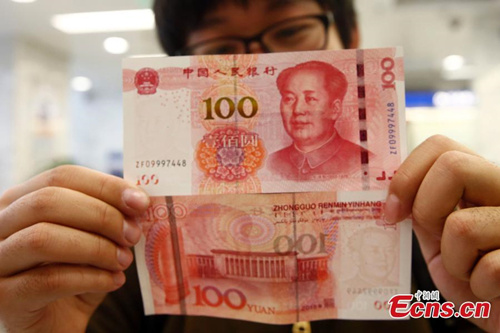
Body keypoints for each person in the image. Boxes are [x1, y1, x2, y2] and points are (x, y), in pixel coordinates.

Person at [0, 0, 498, 332]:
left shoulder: (431, 226)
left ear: (350, 34)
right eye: (219, 50)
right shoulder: (137, 252)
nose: (257, 63)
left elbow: (464, 311)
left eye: (291, 29)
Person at [267, 61, 363, 180]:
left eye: (311, 99)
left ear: (335, 109)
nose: (297, 110)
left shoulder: (362, 162)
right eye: (289, 99)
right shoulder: (270, 163)